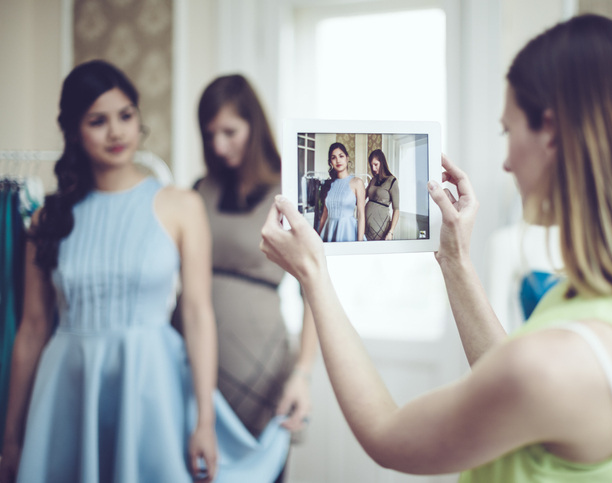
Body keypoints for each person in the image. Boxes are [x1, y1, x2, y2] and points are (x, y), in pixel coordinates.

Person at [259, 14, 612, 482]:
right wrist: (455, 260)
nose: (505, 160)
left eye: (507, 131)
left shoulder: (558, 364)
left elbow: (387, 433)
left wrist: (313, 276)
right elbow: (512, 379)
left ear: (552, 132)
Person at [0, 60, 289, 483]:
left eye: (126, 116)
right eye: (98, 121)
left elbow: (196, 313)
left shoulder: (182, 205)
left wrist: (205, 420)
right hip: (68, 386)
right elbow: (31, 329)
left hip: (152, 386)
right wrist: (10, 436)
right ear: (75, 131)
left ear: (139, 120)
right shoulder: (48, 218)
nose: (116, 132)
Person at [193, 74, 317, 476]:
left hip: (263, 376)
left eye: (230, 131)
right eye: (210, 134)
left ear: (254, 126)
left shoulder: (291, 192)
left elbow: (314, 293)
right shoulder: (199, 190)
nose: (218, 145)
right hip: (195, 375)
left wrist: (303, 373)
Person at [317, 142, 366, 242]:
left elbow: (361, 214)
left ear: (347, 158)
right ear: (330, 162)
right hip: (329, 230)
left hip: (348, 231)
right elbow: (325, 214)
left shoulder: (357, 182)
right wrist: (317, 238)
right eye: (333, 157)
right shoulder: (328, 184)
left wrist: (360, 243)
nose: (338, 160)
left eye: (341, 156)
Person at [365, 149, 399, 240]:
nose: (373, 168)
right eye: (371, 165)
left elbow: (396, 209)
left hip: (381, 228)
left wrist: (391, 232)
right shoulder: (373, 180)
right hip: (366, 227)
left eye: (376, 164)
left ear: (382, 163)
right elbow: (362, 196)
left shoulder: (392, 181)